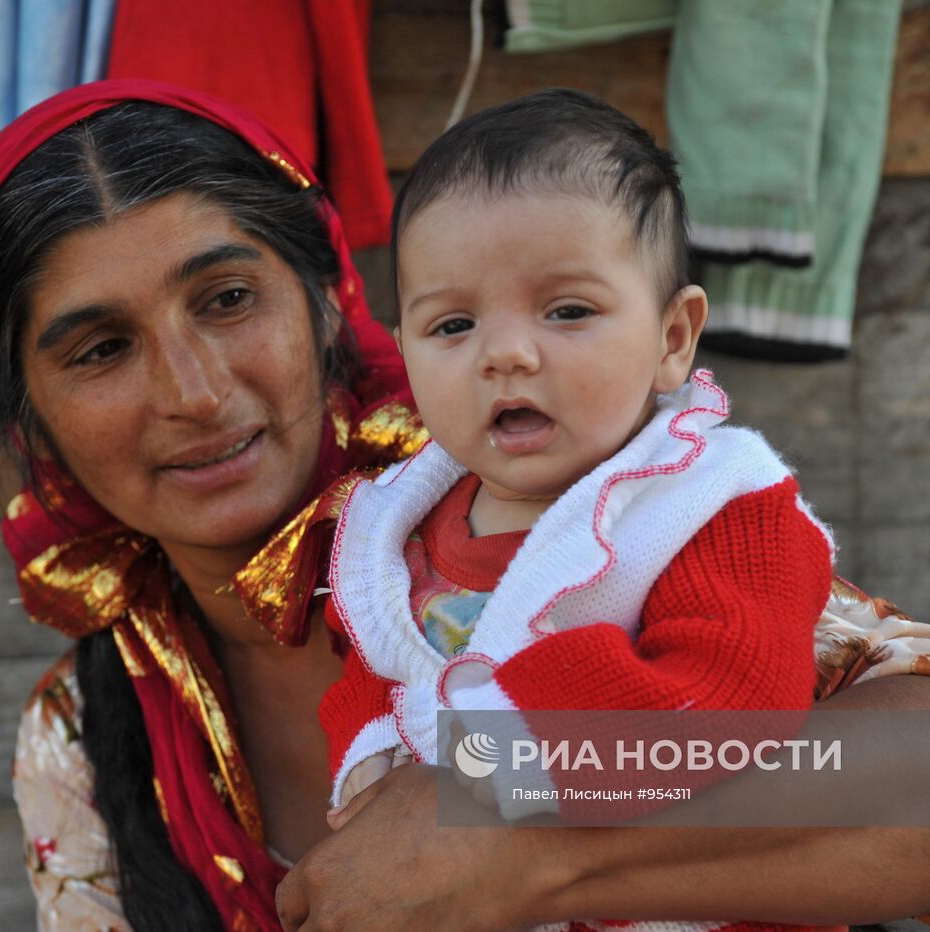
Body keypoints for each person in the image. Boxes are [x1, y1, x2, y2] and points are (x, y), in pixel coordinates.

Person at [0, 80, 930, 932]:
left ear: (331, 306)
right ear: (31, 422)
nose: (193, 392)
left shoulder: (545, 530)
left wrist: (514, 831)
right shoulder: (84, 730)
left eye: (229, 298)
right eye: (98, 349)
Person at [321, 91, 834, 851]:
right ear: (405, 350)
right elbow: (379, 674)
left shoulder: (713, 506)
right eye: (454, 326)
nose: (506, 354)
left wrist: (472, 766)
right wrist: (370, 764)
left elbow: (733, 696)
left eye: (566, 312)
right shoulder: (397, 530)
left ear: (672, 338)